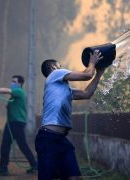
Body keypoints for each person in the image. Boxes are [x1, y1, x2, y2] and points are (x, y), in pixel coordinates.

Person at [35, 50, 105, 180]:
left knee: (75, 177)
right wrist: (92, 62)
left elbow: (86, 93)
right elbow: (86, 74)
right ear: (52, 67)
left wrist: (99, 74)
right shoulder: (55, 74)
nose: (63, 69)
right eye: (60, 66)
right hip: (48, 139)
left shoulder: (65, 89)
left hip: (61, 140)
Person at [0, 75, 38, 176]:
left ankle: (34, 165)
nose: (12, 83)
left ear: (20, 83)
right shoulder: (15, 95)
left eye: (14, 81)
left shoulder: (19, 92)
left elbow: (5, 90)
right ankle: (4, 167)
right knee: (8, 145)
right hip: (12, 123)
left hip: (17, 123)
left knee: (20, 145)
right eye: (12, 81)